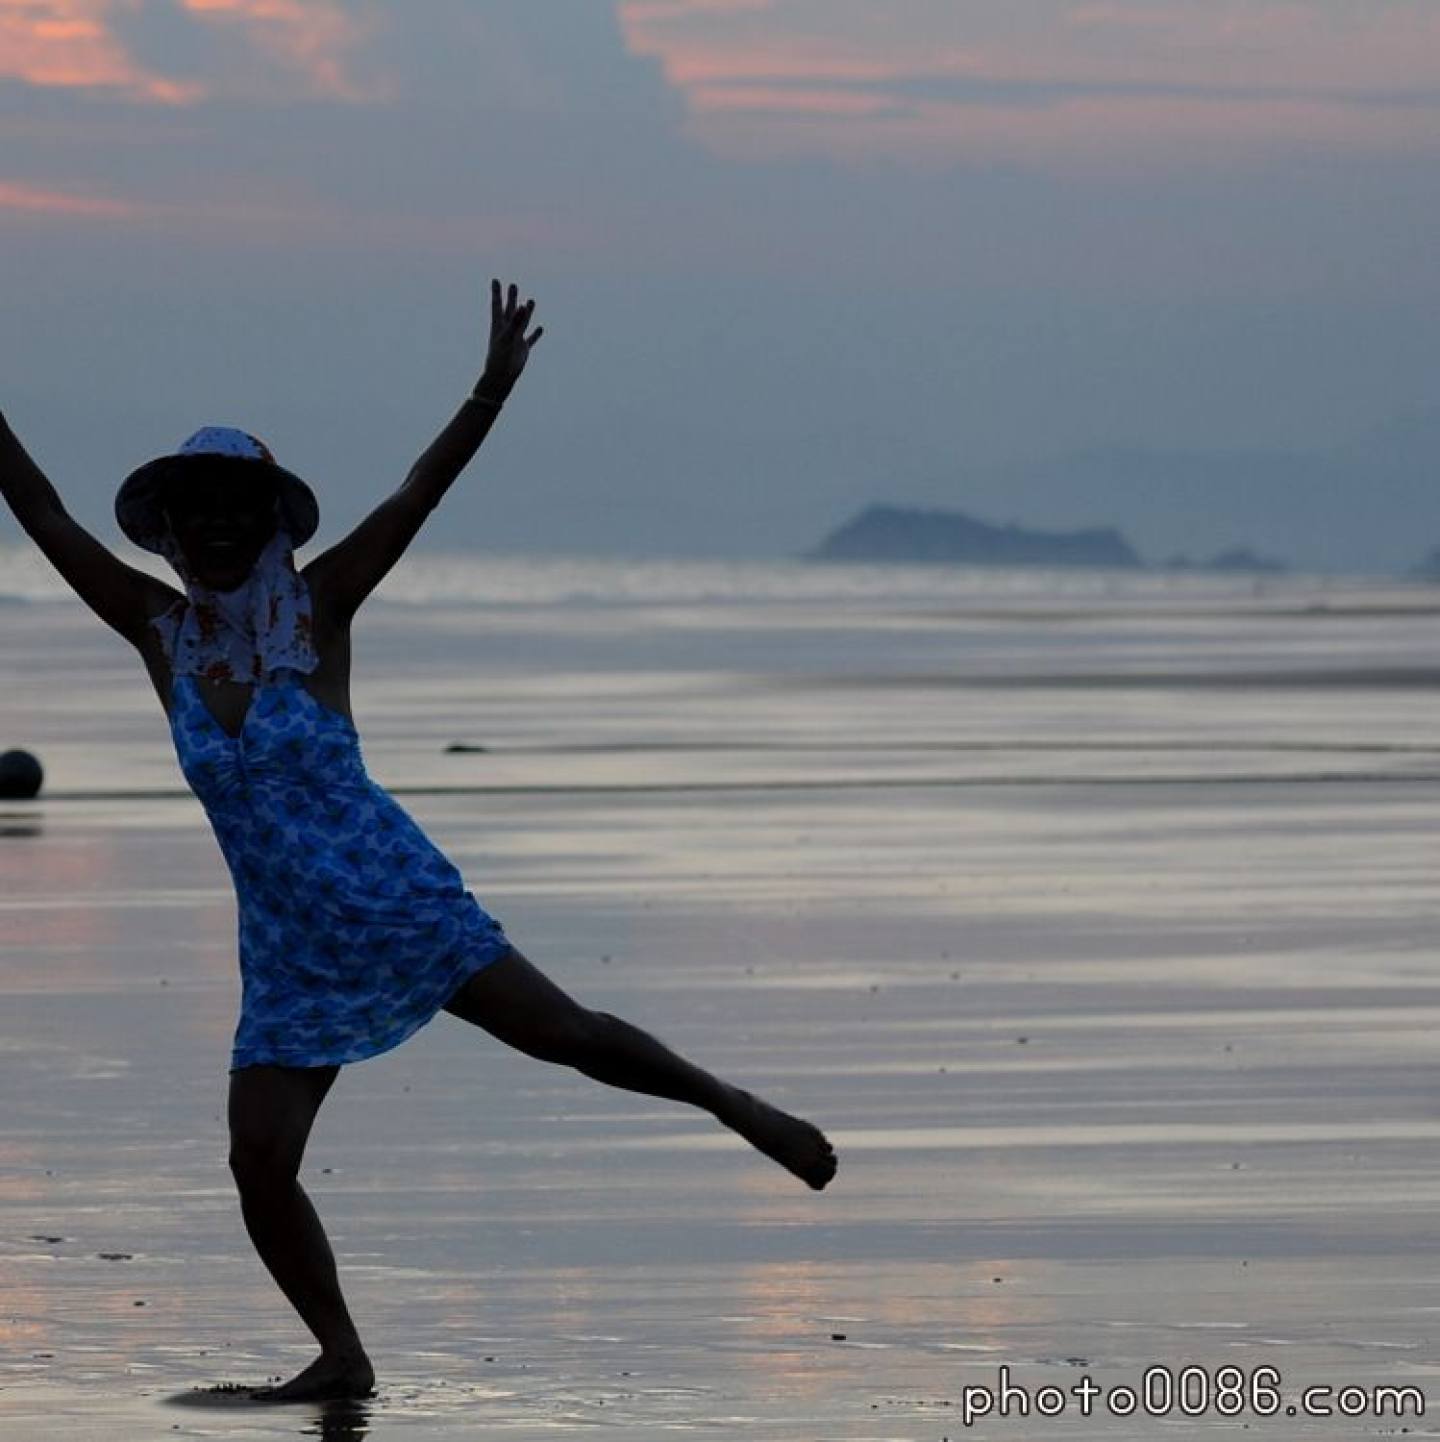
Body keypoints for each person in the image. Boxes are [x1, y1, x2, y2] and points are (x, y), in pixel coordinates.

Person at [0, 278, 837, 1403]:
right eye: (195, 509)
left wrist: (488, 388)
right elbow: (45, 513)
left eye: (234, 506)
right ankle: (343, 1353)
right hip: (290, 947)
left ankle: (739, 1105)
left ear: (267, 521)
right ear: (171, 529)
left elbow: (417, 492)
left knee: (566, 1034)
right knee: (259, 1163)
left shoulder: (323, 605)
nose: (214, 524)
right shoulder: (159, 631)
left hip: (394, 894)